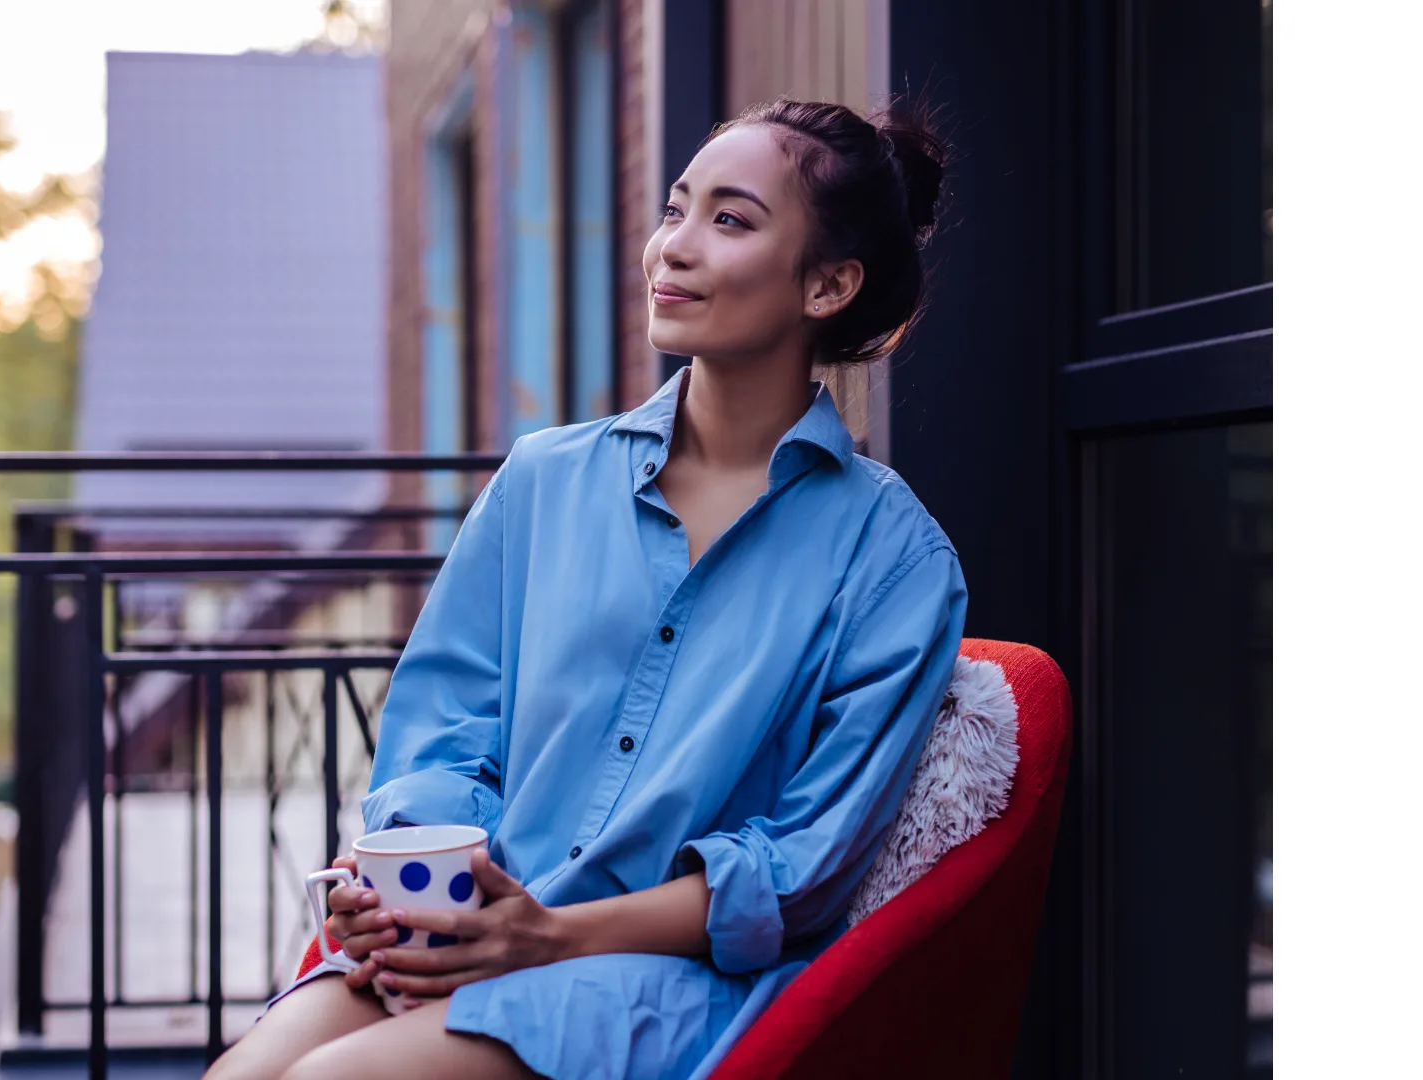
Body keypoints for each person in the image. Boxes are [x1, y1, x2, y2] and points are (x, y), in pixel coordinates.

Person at [206, 95, 966, 1080]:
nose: (673, 246)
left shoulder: (893, 560)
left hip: (665, 983)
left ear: (828, 284)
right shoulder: (541, 481)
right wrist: (410, 884)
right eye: (676, 208)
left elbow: (799, 870)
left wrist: (549, 934)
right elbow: (445, 731)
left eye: (730, 220)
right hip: (475, 932)